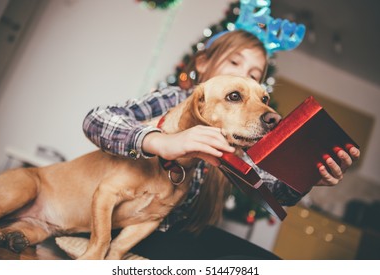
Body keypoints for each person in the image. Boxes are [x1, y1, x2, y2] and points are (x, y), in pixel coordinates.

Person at [82, 30, 360, 259]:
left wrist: (310, 173)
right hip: (120, 220)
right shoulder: (171, 101)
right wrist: (161, 142)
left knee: (269, 264)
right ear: (203, 63)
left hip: (176, 231)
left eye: (255, 76)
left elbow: (276, 189)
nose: (244, 76)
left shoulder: (241, 134)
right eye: (235, 63)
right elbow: (97, 120)